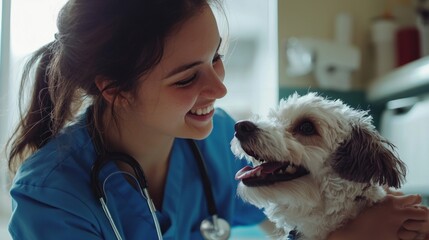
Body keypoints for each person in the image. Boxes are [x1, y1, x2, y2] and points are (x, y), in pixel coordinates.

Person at [4, 0, 429, 239]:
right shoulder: (52, 198)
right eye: (188, 76)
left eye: (216, 58)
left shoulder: (216, 139)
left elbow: (295, 221)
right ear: (114, 89)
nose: (219, 89)